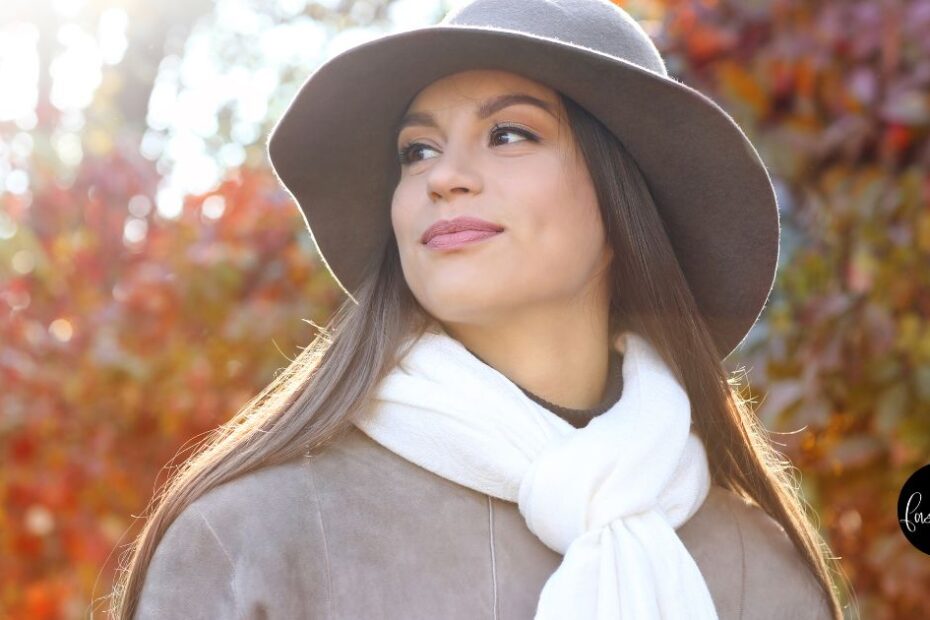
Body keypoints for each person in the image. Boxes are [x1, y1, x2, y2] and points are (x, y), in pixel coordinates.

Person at [109, 0, 853, 618]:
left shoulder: (764, 573)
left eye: (508, 134)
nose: (445, 178)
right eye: (417, 151)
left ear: (621, 205)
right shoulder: (255, 540)